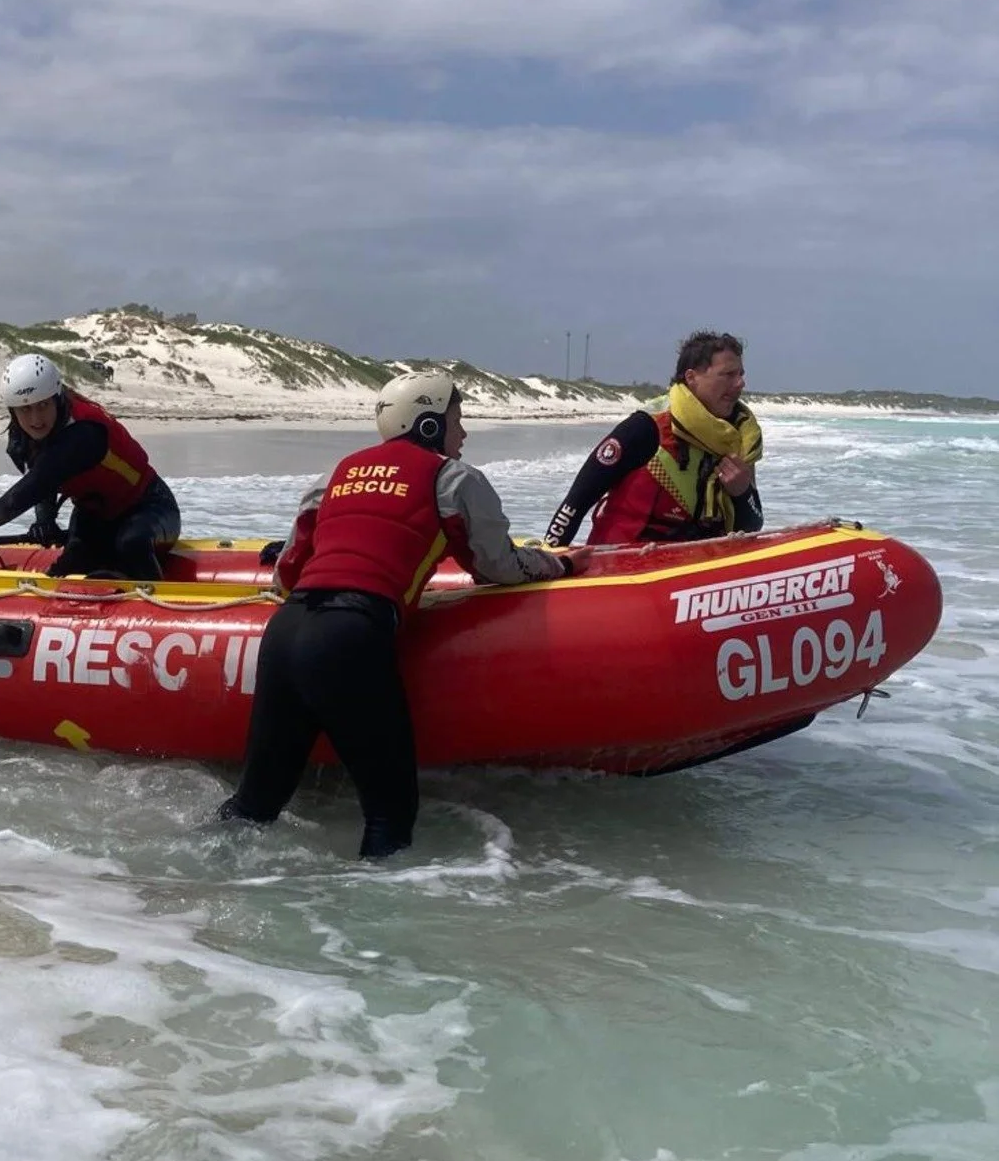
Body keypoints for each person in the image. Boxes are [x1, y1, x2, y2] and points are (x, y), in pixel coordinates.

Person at [219, 370, 569, 860]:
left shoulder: (335, 474)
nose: (463, 433)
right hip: (350, 637)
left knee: (255, 805)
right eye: (456, 420)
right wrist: (552, 562)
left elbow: (287, 575)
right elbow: (498, 567)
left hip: (284, 635)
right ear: (428, 426)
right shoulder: (455, 479)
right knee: (390, 815)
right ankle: (369, 934)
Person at [0, 354, 181, 580]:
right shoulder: (23, 433)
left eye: (43, 405)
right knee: (68, 565)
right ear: (13, 410)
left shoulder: (81, 435)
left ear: (57, 399)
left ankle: (164, 615)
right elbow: (43, 480)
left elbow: (10, 504)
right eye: (25, 409)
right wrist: (45, 520)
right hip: (96, 515)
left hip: (150, 507)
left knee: (131, 544)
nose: (36, 418)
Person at [545, 331, 764, 548]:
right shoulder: (646, 428)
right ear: (691, 377)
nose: (740, 383)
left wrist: (742, 493)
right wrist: (551, 559)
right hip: (619, 563)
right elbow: (576, 502)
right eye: (728, 374)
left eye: (741, 374)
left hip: (692, 564)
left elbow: (752, 527)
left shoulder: (739, 437)